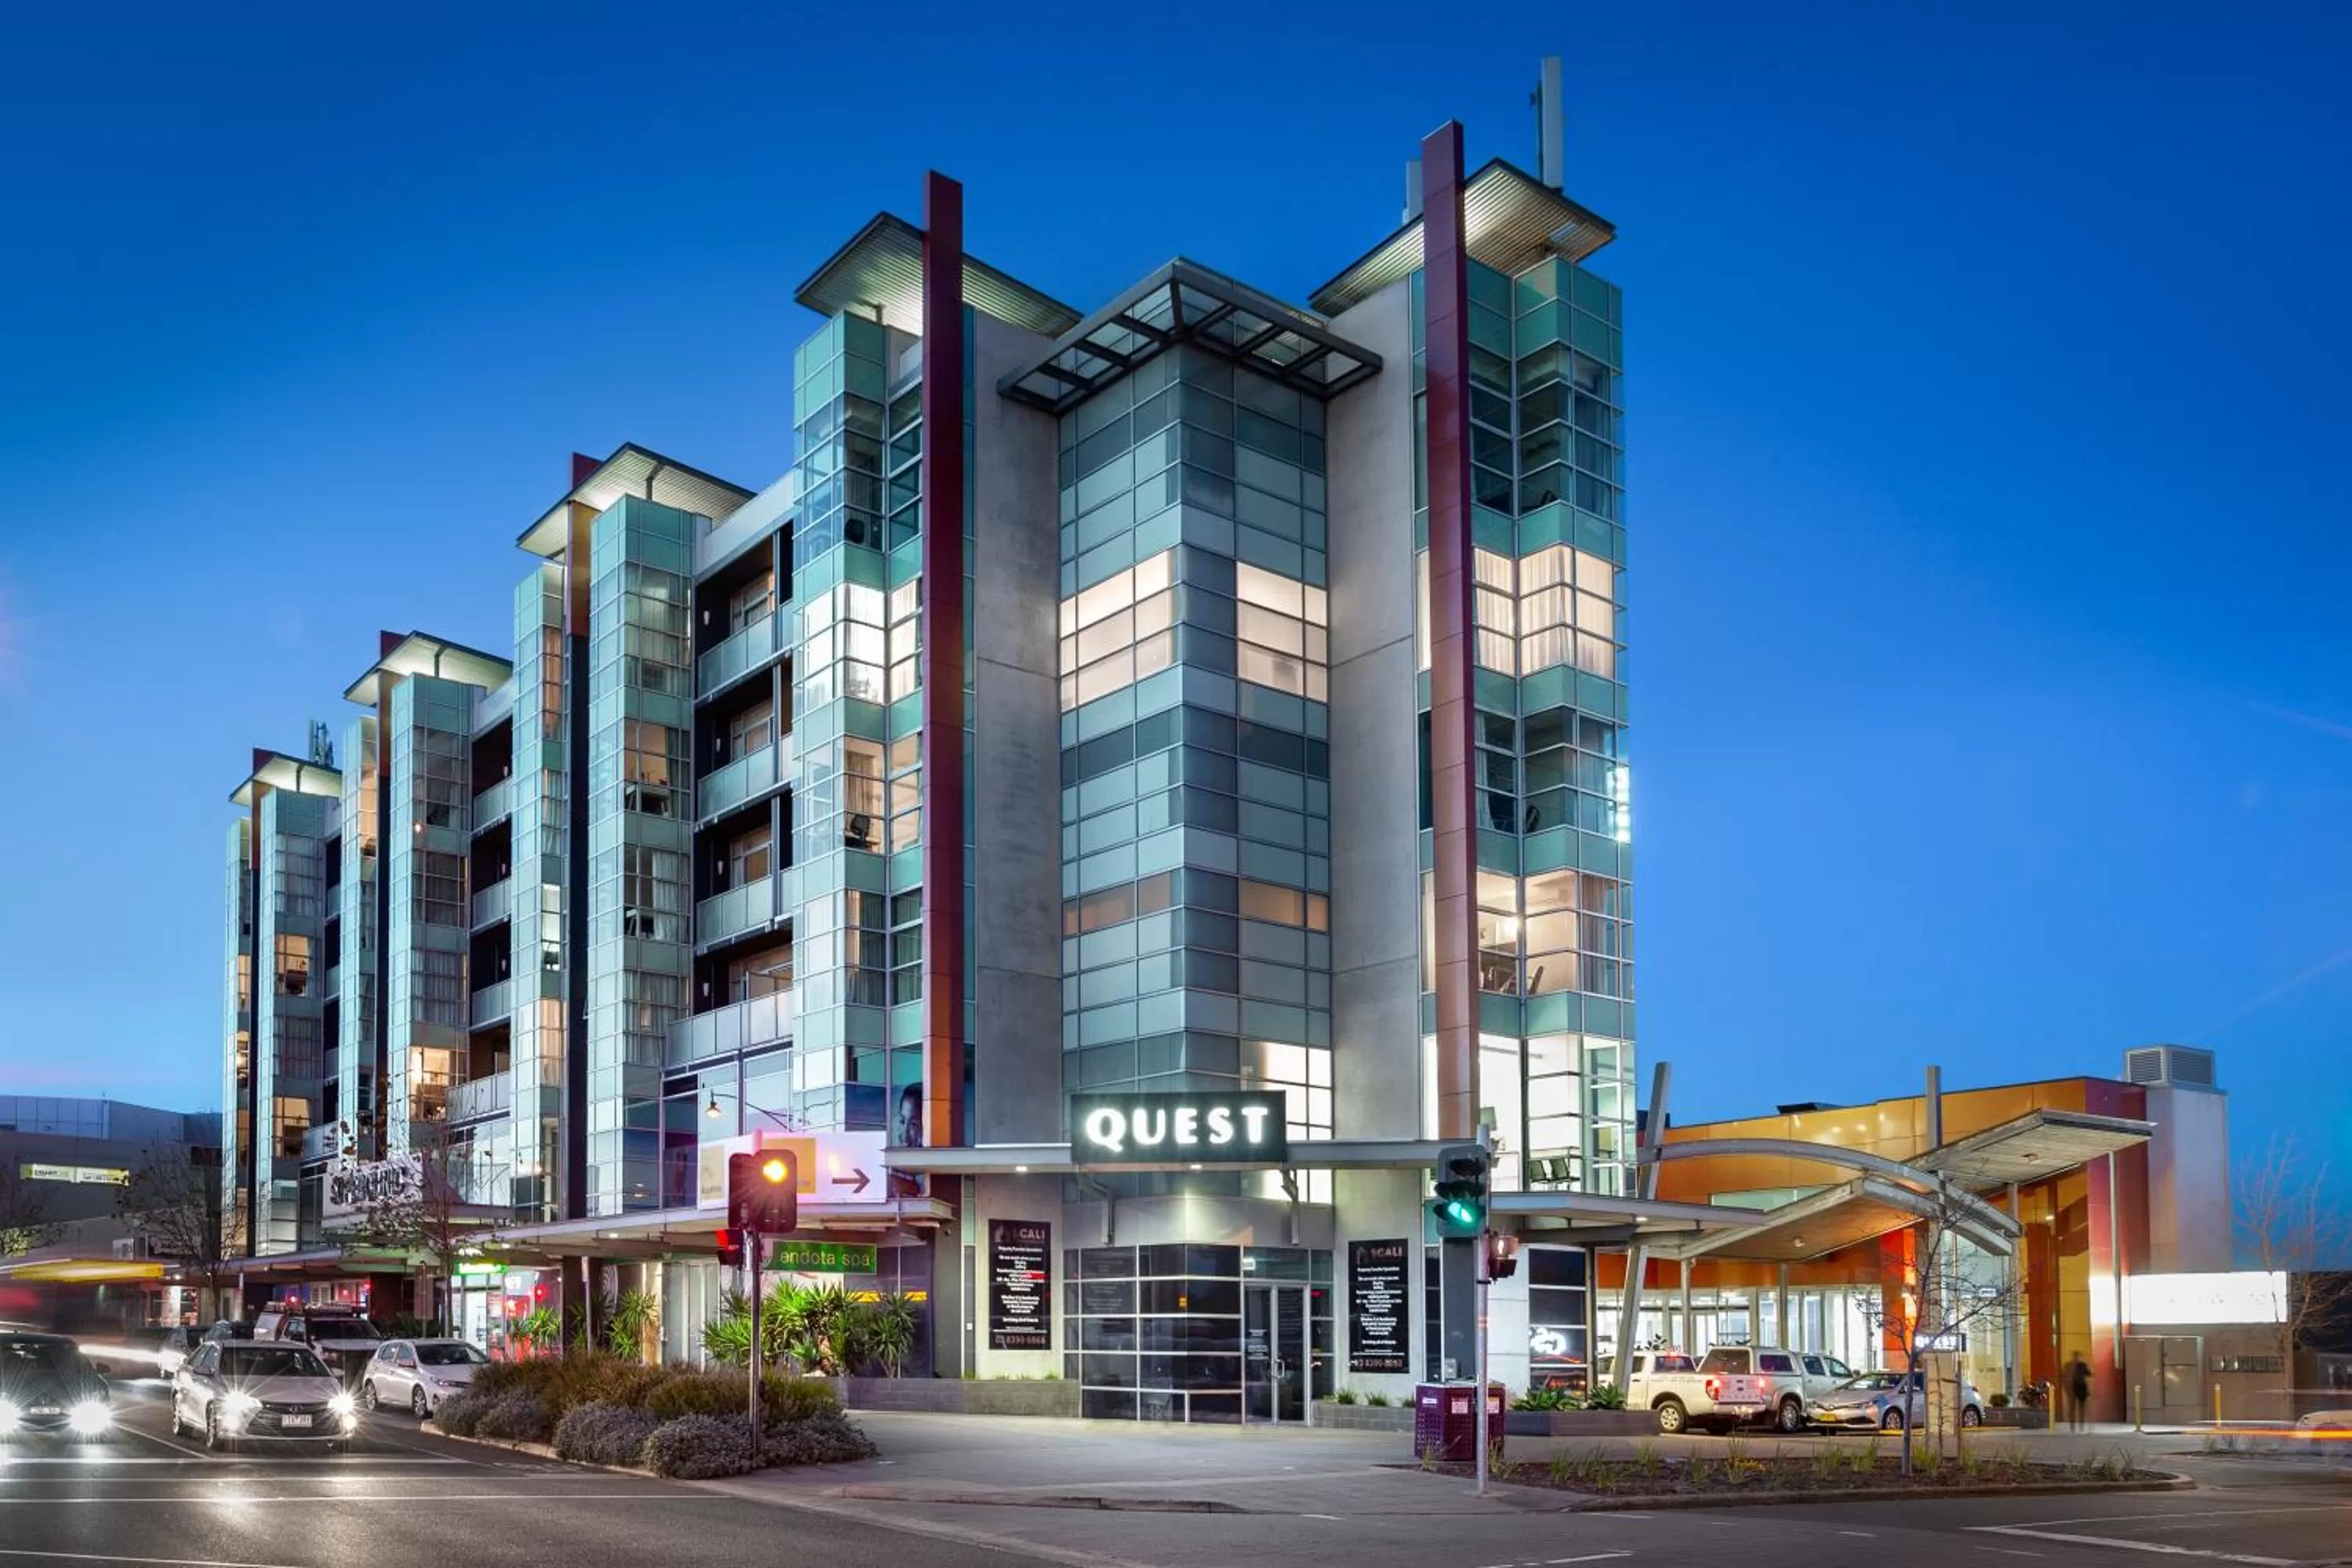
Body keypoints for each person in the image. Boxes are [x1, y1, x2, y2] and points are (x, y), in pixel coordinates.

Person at [2067, 1350, 2092, 1431]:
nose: (2076, 1358)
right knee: (2074, 1407)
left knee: (2079, 1407)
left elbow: (2089, 1374)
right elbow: (2089, 1374)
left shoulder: (2079, 1365)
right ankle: (2075, 1425)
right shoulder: (2074, 1365)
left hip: (2080, 1386)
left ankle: (2079, 1425)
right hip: (2076, 1386)